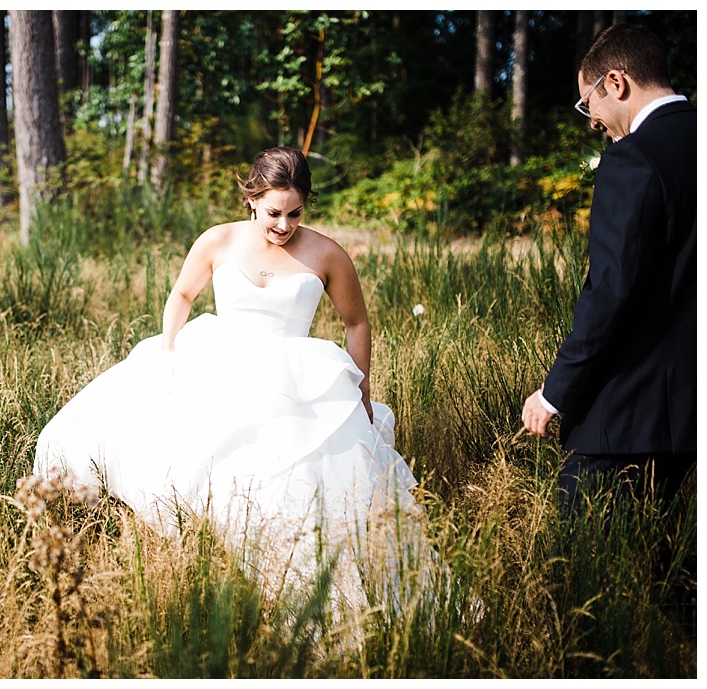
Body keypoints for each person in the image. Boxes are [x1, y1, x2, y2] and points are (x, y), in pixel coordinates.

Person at [34, 147, 442, 612]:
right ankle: (211, 558)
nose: (284, 225)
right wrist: (168, 352)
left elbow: (357, 323)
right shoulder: (219, 241)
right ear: (251, 198)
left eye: (295, 213)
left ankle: (312, 581)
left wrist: (362, 387)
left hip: (294, 381)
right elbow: (182, 294)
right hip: (219, 363)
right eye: (273, 212)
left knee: (308, 481)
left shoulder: (327, 253)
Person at [521, 23, 695, 514]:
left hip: (628, 415)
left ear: (615, 83)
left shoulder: (632, 158)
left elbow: (611, 291)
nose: (592, 120)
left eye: (588, 102)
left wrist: (555, 393)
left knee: (584, 566)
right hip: (691, 413)